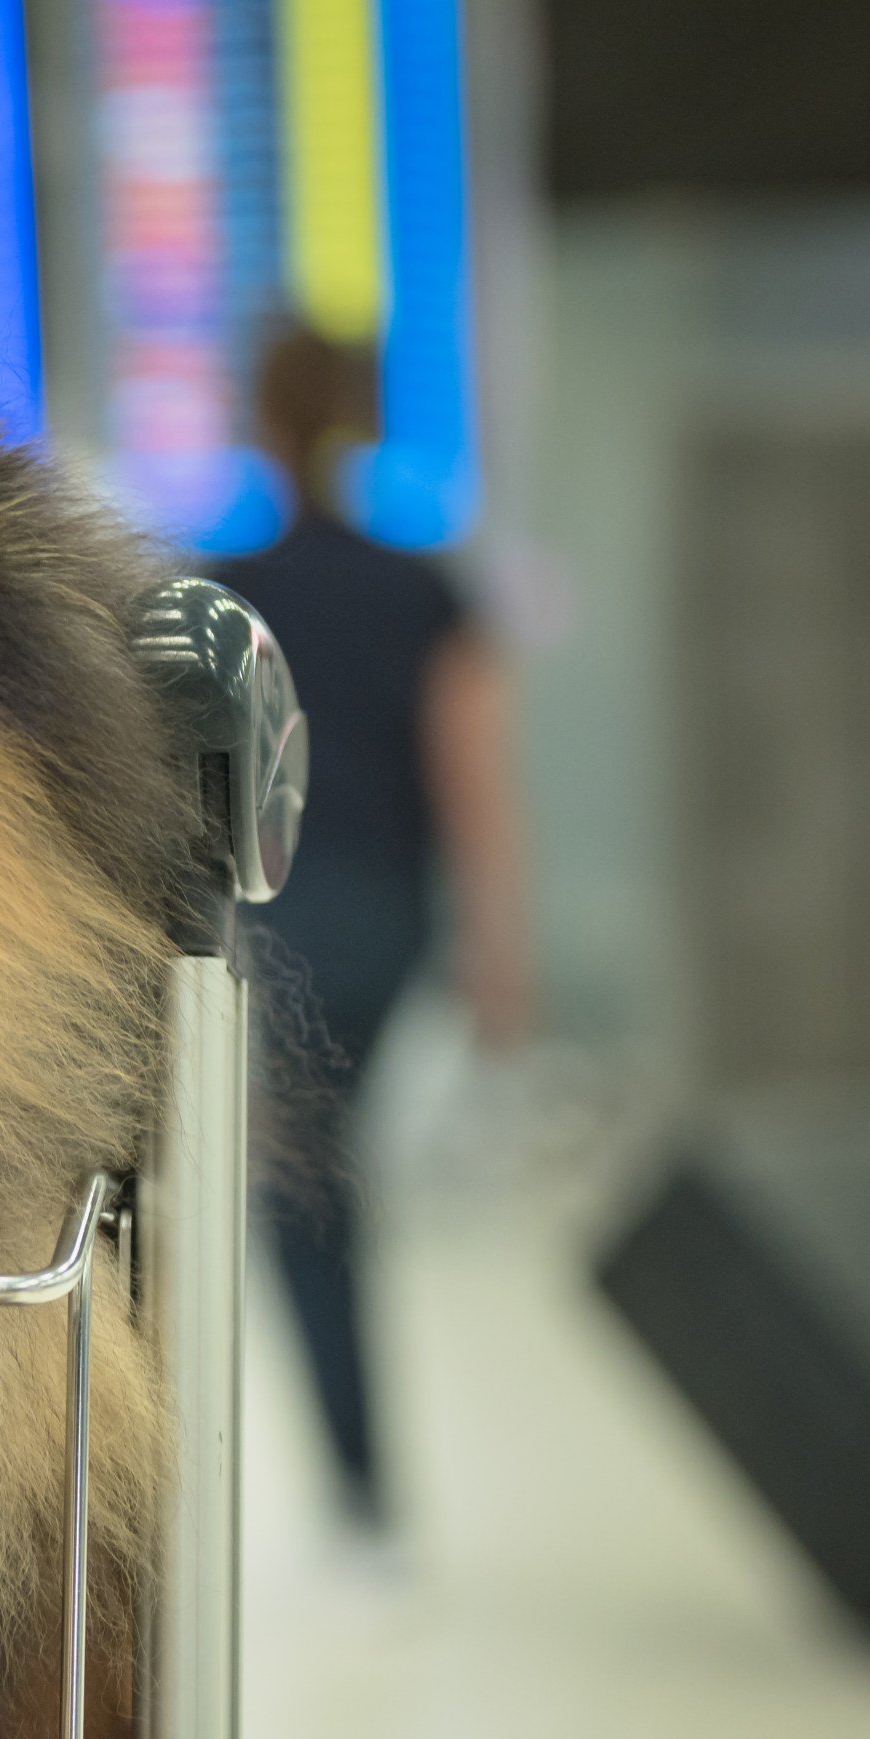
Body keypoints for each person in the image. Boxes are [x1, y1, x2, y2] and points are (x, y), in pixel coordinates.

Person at [209, 329, 531, 1554]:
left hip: (276, 930)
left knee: (304, 1194)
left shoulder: (221, 593)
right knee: (321, 1177)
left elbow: (190, 797)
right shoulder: (424, 588)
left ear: (261, 421)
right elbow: (475, 782)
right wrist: (500, 955)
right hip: (387, 924)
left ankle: (360, 1487)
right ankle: (362, 1486)